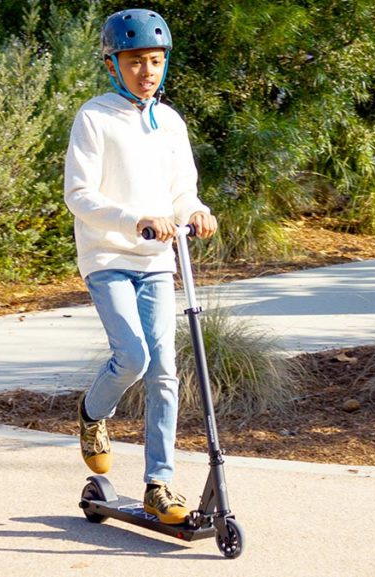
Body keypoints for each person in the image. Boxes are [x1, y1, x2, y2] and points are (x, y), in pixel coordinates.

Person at [64, 8, 218, 525]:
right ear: (113, 64)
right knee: (131, 357)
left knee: (165, 372)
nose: (146, 71)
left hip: (156, 262)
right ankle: (92, 415)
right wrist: (136, 219)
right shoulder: (94, 117)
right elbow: (79, 195)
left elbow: (182, 190)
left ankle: (159, 484)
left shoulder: (169, 121)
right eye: (134, 62)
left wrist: (195, 212)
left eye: (154, 61)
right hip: (107, 257)